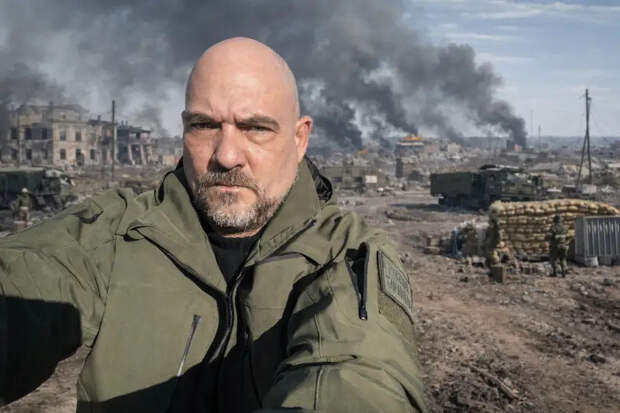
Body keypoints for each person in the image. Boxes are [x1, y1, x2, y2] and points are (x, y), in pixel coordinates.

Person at [0, 38, 427, 413]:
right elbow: (25, 283)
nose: (226, 155)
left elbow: (360, 378)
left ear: (299, 139)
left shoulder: (344, 254)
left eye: (255, 128)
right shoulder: (113, 235)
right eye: (204, 126)